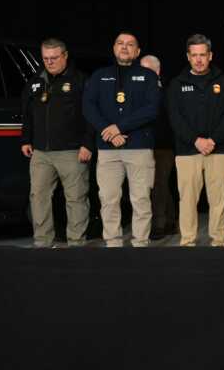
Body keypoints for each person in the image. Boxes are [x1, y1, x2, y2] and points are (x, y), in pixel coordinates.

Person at [82, 32, 160, 247]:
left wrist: (119, 127)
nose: (124, 47)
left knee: (141, 200)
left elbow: (152, 109)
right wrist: (108, 130)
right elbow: (88, 107)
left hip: (139, 147)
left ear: (137, 51)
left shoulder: (148, 76)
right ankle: (113, 245)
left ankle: (140, 245)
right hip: (108, 149)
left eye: (130, 44)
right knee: (108, 200)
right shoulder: (99, 76)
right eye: (120, 43)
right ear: (114, 48)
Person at [20, 37, 93, 247]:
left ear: (65, 55)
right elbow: (27, 113)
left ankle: (76, 244)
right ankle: (43, 242)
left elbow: (91, 116)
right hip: (41, 152)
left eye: (54, 58)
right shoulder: (35, 82)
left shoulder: (80, 80)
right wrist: (26, 139)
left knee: (76, 199)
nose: (49, 62)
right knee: (38, 197)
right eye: (45, 58)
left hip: (72, 151)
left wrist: (88, 144)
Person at [167, 34, 224, 247]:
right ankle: (187, 242)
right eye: (194, 55)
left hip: (220, 151)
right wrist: (196, 141)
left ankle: (218, 243)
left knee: (218, 201)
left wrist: (213, 140)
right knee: (187, 201)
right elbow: (175, 117)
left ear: (210, 56)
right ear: (188, 57)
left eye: (202, 55)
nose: (198, 59)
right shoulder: (176, 84)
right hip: (188, 152)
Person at [139, 54, 177, 240]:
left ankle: (158, 224)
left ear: (158, 71)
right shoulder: (138, 92)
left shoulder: (167, 92)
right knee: (157, 185)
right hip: (144, 145)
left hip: (163, 145)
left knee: (159, 184)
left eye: (148, 70)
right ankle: (170, 221)